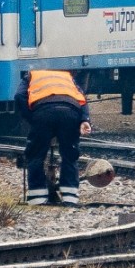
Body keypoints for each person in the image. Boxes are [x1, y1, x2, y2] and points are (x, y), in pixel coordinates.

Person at [14, 69, 91, 206]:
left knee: (36, 155)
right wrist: (84, 120)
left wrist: (32, 117)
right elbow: (82, 98)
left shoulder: (31, 76)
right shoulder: (66, 77)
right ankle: (70, 198)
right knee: (69, 154)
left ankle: (37, 198)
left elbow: (19, 96)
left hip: (43, 112)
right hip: (70, 112)